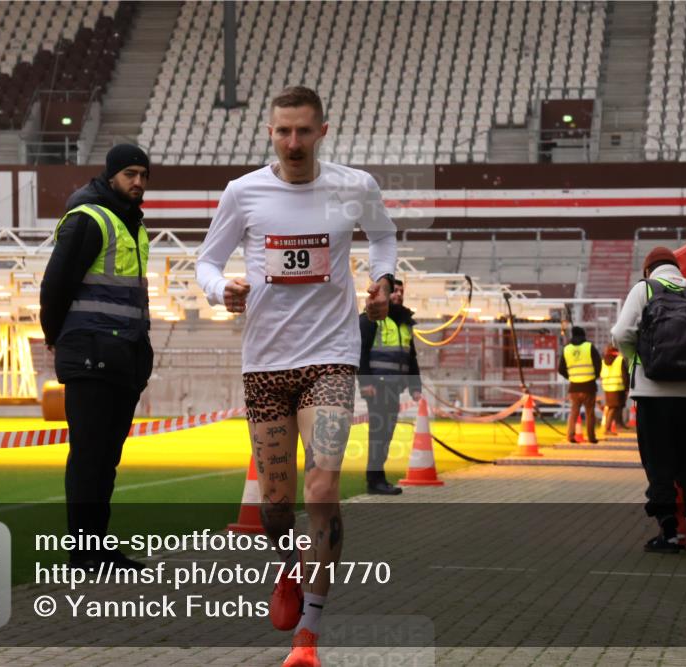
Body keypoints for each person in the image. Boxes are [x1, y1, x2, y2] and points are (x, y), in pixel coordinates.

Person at [195, 86, 397, 667]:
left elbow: (382, 236)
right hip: (265, 363)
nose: (293, 143)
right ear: (269, 132)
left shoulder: (354, 187)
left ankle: (308, 632)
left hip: (331, 356)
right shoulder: (244, 193)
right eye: (283, 131)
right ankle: (287, 568)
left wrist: (384, 280)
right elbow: (207, 261)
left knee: (324, 490)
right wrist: (221, 289)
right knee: (278, 507)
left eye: (303, 131)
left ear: (322, 131)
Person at [39, 144, 154, 570]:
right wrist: (55, 336)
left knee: (106, 458)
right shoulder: (90, 219)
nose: (138, 182)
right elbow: (55, 287)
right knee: (90, 456)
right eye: (129, 174)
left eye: (143, 174)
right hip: (90, 353)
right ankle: (83, 554)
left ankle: (98, 547)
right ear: (110, 176)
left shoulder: (132, 225)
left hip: (123, 355)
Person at [611, 246, 686, 555]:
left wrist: (639, 358)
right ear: (677, 268)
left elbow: (621, 333)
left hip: (651, 391)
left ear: (648, 270)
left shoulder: (643, 289)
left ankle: (669, 533)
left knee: (658, 462)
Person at [358, 278, 422, 495]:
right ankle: (375, 480)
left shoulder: (404, 322)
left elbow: (410, 356)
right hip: (377, 386)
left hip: (394, 387)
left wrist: (415, 386)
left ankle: (377, 478)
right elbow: (360, 352)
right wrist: (365, 383)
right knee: (379, 434)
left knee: (386, 433)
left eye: (401, 291)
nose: (398, 295)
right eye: (394, 291)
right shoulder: (371, 318)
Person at [558, 326, 601, 444]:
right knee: (590, 413)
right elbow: (598, 365)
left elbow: (561, 369)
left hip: (574, 386)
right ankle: (591, 437)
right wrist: (593, 376)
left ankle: (570, 435)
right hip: (589, 385)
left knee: (574, 412)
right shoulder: (589, 347)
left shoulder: (566, 349)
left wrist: (571, 376)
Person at [601, 344, 630, 433]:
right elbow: (625, 375)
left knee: (617, 406)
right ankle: (607, 428)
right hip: (618, 386)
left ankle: (619, 424)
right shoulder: (619, 360)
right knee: (613, 408)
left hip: (607, 387)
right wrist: (627, 387)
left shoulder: (603, 360)